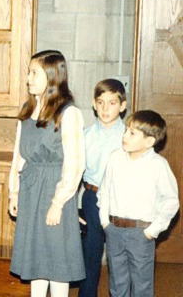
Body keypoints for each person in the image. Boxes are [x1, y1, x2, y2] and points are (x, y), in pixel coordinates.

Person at [8, 50, 85, 297]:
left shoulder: (68, 113)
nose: (28, 78)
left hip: (54, 189)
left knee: (56, 260)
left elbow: (74, 164)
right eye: (28, 72)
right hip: (31, 189)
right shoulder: (28, 109)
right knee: (36, 259)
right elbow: (19, 156)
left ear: (52, 76)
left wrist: (58, 202)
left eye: (34, 73)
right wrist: (14, 192)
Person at [98, 110, 179, 297]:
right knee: (117, 284)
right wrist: (105, 223)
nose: (125, 135)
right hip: (114, 231)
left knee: (141, 285)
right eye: (126, 130)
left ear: (149, 142)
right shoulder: (115, 158)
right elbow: (105, 191)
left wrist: (152, 231)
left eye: (132, 133)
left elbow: (171, 201)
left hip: (141, 234)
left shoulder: (158, 165)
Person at [78, 79, 127, 297]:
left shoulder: (129, 136)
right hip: (92, 196)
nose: (106, 109)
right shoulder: (84, 136)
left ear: (122, 106)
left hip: (120, 199)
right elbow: (74, 173)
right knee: (91, 251)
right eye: (101, 102)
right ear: (94, 104)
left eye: (112, 103)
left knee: (119, 254)